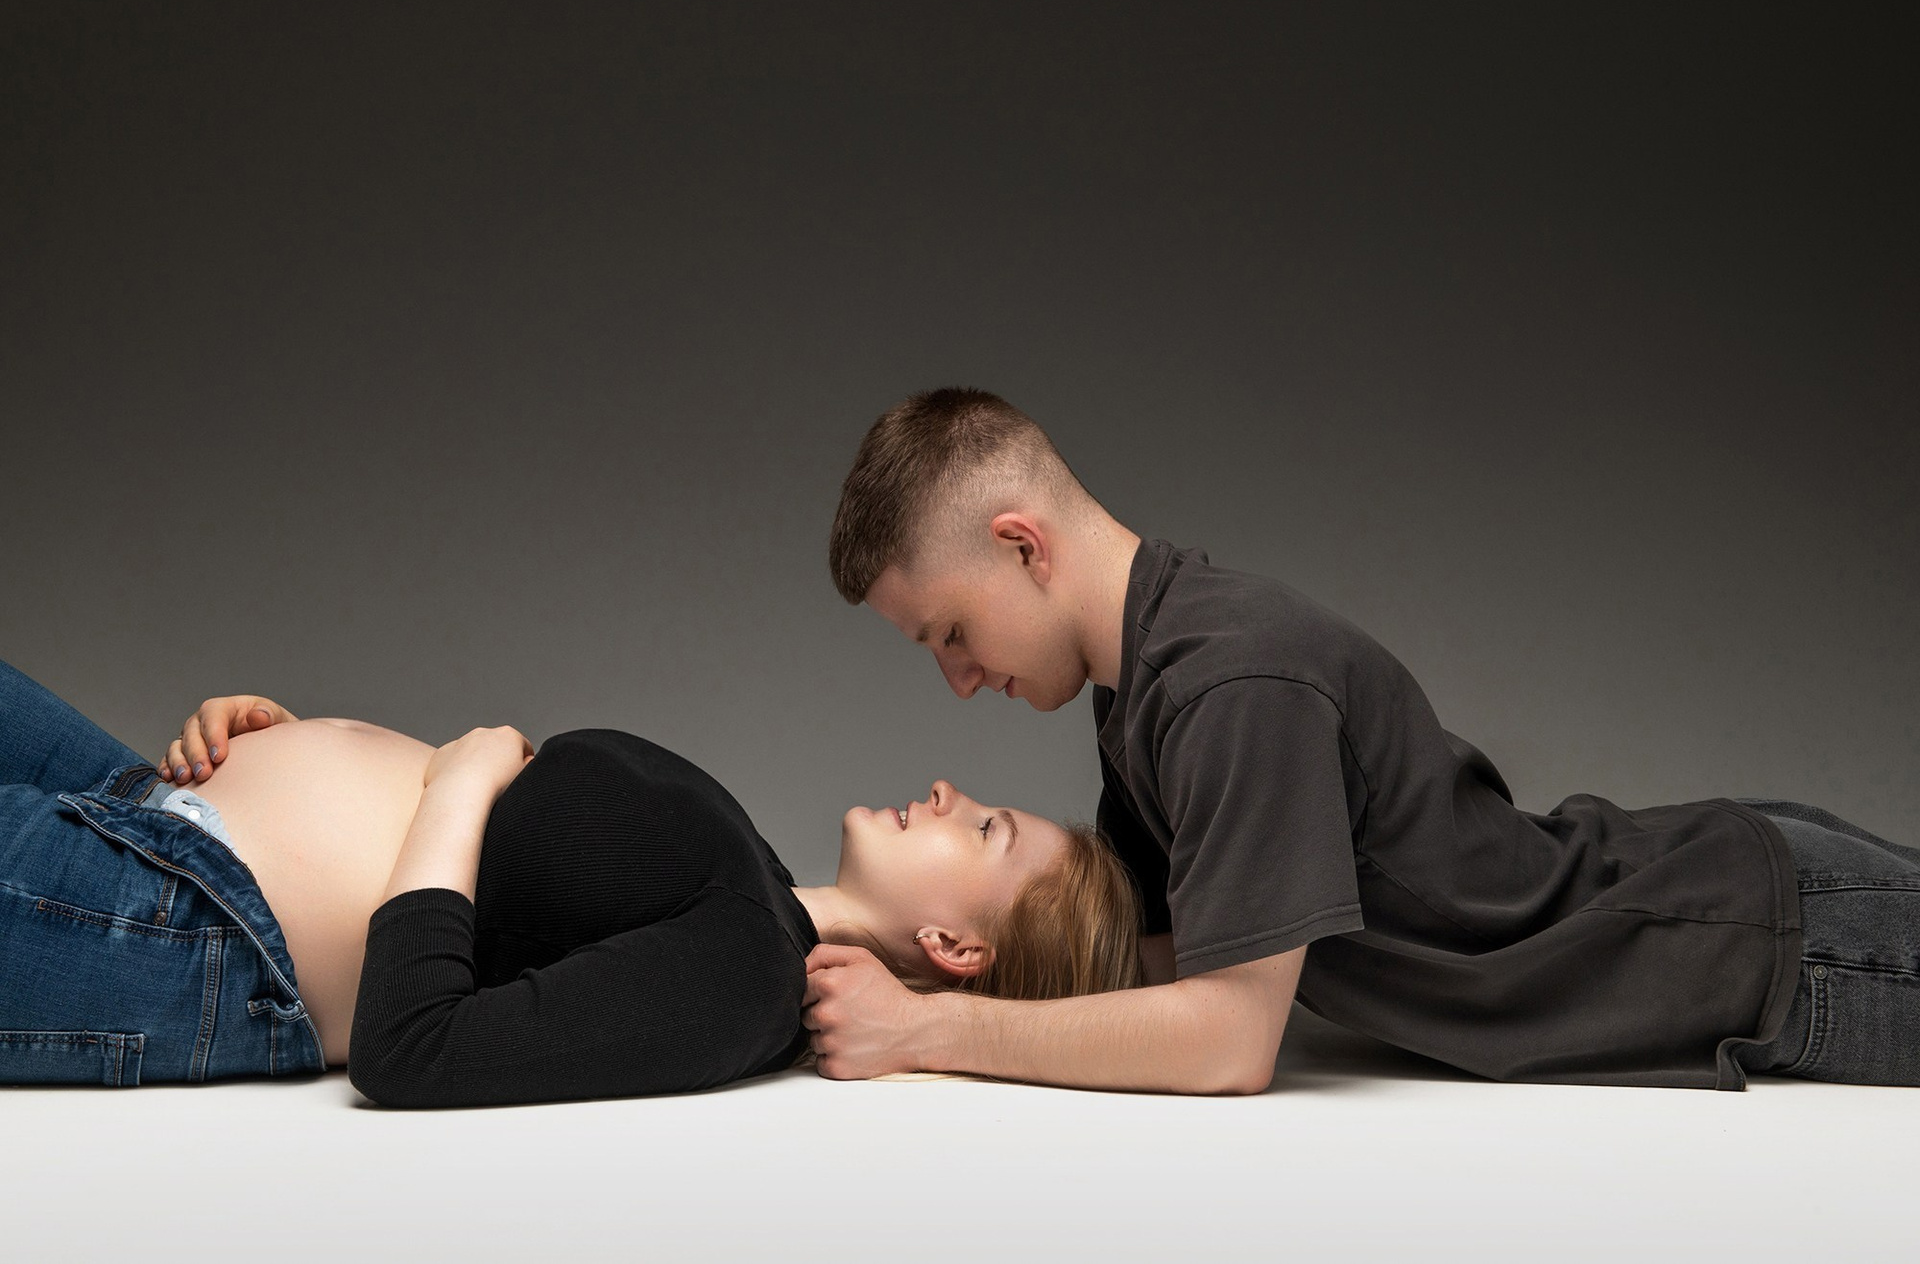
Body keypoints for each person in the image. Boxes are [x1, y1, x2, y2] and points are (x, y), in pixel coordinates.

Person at [805, 386, 1920, 1091]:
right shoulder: (1145, 686)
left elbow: (1228, 1039)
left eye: (952, 633)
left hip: (1766, 940)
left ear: (1022, 546)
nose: (958, 682)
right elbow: (1140, 960)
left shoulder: (1229, 687)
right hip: (1734, 905)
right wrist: (836, 924)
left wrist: (923, 1035)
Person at [0, 657, 1140, 1102]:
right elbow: (503, 881)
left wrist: (459, 781)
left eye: (984, 830)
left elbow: (411, 1045)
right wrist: (284, 744)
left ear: (957, 950)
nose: (947, 791)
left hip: (173, 918)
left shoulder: (747, 977)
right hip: (149, 798)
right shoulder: (753, 879)